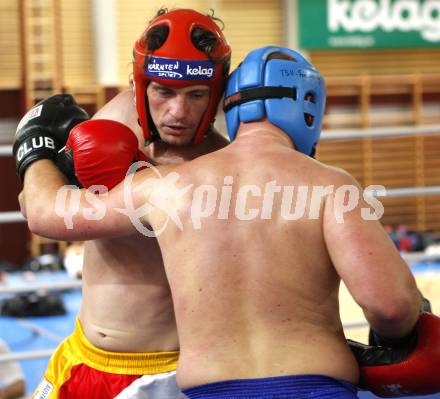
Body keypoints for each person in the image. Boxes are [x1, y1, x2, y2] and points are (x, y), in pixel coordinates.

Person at [17, 46, 437, 398]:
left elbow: (45, 214)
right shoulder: (331, 185)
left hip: (208, 388)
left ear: (225, 104)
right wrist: (400, 334)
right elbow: (390, 306)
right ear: (310, 109)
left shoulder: (165, 185)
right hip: (316, 382)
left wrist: (34, 149)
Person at [15, 7, 230, 399]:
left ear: (216, 92)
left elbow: (46, 214)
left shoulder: (219, 169)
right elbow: (31, 203)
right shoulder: (116, 117)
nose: (177, 112)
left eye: (195, 95)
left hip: (165, 376)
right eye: (163, 91)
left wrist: (34, 147)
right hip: (81, 355)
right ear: (141, 85)